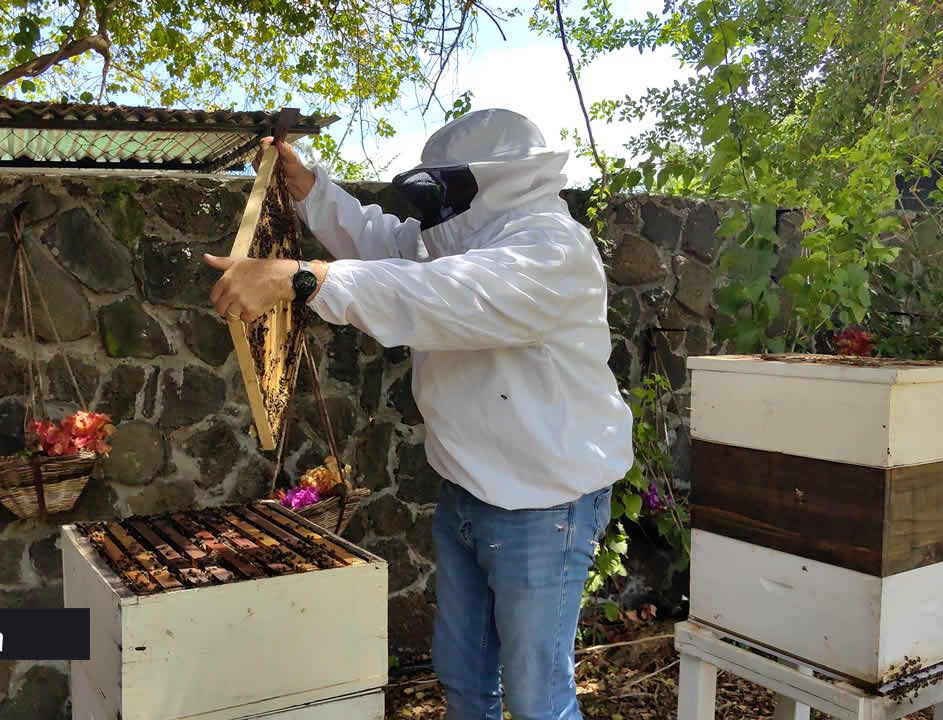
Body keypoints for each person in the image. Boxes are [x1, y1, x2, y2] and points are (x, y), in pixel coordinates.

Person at [202, 108, 634, 720]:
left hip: (546, 507)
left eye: (449, 186)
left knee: (539, 700)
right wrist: (311, 190)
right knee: (462, 678)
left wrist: (304, 279)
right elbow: (386, 248)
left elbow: (444, 296)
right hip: (466, 491)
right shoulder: (461, 239)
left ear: (500, 178)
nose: (438, 201)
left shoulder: (550, 249)